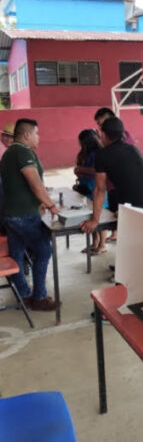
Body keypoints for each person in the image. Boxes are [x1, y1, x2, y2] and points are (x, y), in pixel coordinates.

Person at [1, 119, 58, 311]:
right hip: (24, 215)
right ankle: (39, 297)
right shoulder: (22, 152)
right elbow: (34, 181)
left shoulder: (9, 153)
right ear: (26, 135)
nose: (38, 137)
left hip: (10, 214)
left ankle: (24, 294)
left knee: (16, 253)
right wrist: (50, 203)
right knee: (43, 250)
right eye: (37, 133)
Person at [82, 117, 143, 235]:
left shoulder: (102, 155)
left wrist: (95, 220)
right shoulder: (133, 149)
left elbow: (100, 189)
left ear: (104, 135)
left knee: (137, 249)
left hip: (139, 211)